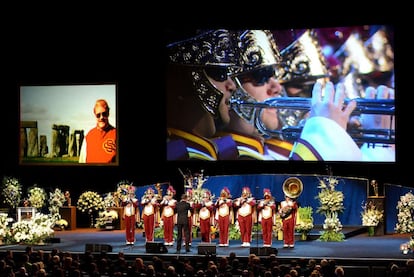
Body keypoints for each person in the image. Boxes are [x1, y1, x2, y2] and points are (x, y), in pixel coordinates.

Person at [214, 29, 294, 160]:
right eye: (261, 76)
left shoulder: (265, 151)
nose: (277, 88)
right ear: (230, 83)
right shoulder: (226, 155)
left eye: (275, 76)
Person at [166, 29, 239, 160]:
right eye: (219, 73)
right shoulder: (176, 155)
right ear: (183, 81)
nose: (232, 86)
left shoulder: (212, 150)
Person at [79, 99, 116, 163]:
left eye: (104, 114)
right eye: (98, 115)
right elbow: (82, 160)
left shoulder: (115, 134)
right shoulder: (89, 136)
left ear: (108, 113)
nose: (101, 117)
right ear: (95, 115)